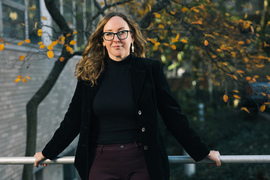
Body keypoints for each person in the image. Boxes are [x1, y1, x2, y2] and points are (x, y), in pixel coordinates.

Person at [34, 11, 221, 180]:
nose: (116, 39)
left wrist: (201, 152)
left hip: (142, 161)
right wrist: (48, 152)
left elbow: (173, 116)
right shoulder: (89, 73)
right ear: (102, 40)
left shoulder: (150, 69)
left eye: (122, 32)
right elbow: (73, 119)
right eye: (109, 34)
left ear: (131, 36)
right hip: (100, 162)